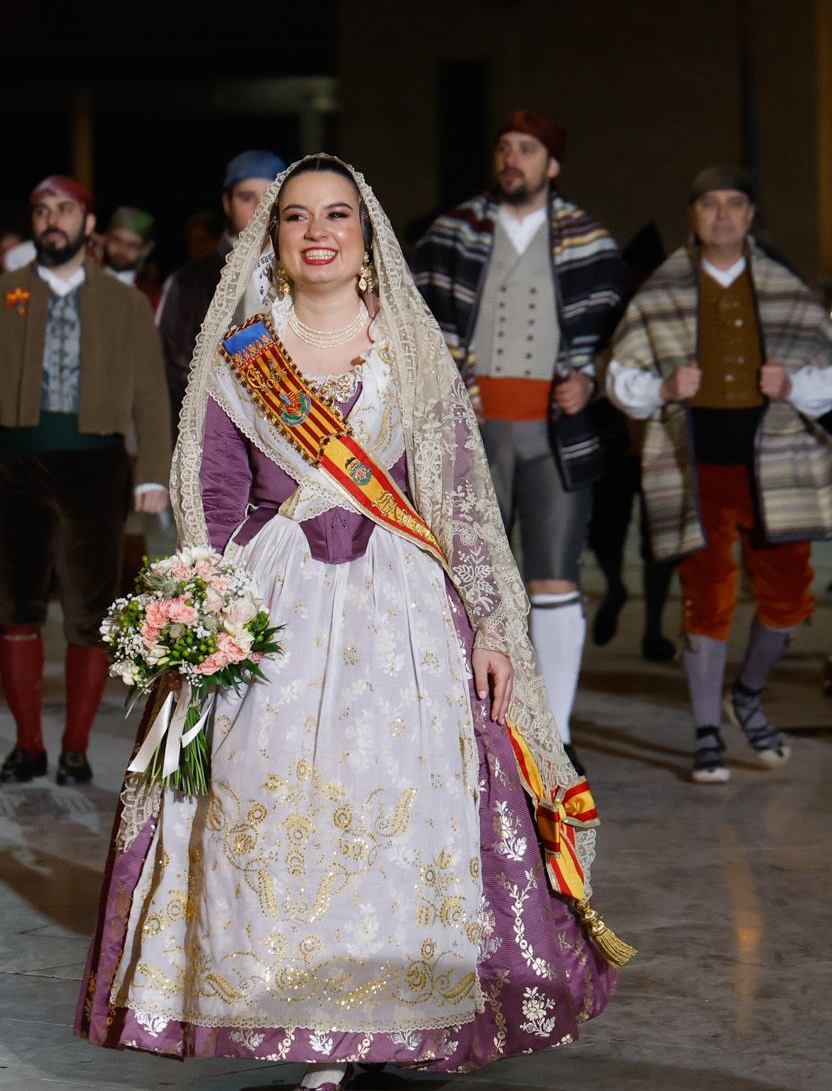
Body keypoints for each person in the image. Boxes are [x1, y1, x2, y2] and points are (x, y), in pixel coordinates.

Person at [77, 156, 619, 1086]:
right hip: (277, 604)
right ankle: (304, 1023)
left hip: (404, 613)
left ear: (368, 241)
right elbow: (211, 499)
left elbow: (458, 500)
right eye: (296, 217)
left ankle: (400, 1015)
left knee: (407, 801)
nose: (317, 231)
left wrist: (491, 625)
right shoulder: (243, 353)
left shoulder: (412, 351)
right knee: (271, 796)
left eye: (337, 215)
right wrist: (205, 616)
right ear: (274, 240)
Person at [603, 166, 832, 782]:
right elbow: (621, 375)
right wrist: (665, 387)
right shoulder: (662, 293)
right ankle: (705, 732)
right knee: (708, 597)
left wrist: (794, 384)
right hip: (696, 466)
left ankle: (746, 695)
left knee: (788, 598)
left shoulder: (783, 290)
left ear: (750, 217)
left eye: (734, 205)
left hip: (774, 465)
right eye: (709, 205)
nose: (722, 216)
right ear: (693, 216)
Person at [0, 175, 171, 786]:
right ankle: (27, 745)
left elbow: (151, 394)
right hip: (14, 463)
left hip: (95, 465)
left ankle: (75, 747)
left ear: (88, 225)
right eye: (42, 210)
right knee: (15, 606)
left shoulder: (124, 303)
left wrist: (151, 472)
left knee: (91, 611)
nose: (53, 221)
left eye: (66, 210)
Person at [412, 112, 628, 767]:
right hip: (471, 428)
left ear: (551, 165)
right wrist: (448, 382)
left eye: (527, 150)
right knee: (466, 575)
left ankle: (554, 733)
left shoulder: (591, 242)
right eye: (504, 147)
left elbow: (621, 331)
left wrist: (588, 378)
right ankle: (467, 729)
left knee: (555, 576)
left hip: (552, 431)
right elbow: (418, 315)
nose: (512, 158)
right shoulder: (451, 233)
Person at [587, 222, 679, 662]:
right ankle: (618, 590)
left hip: (658, 438)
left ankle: (654, 627)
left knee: (657, 538)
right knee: (607, 530)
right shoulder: (616, 314)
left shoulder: (667, 312)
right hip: (615, 438)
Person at [156, 149, 285, 414]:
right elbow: (172, 370)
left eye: (270, 197)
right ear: (227, 203)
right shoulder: (190, 281)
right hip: (216, 430)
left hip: (296, 427)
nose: (259, 208)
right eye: (247, 197)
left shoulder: (305, 271)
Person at [99, 205, 161, 310]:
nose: (121, 251)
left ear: (145, 250)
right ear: (105, 238)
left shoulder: (153, 297)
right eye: (117, 240)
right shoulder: (83, 281)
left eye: (132, 245)